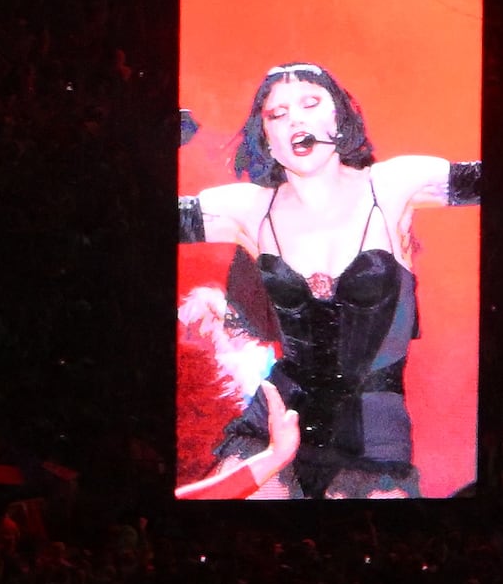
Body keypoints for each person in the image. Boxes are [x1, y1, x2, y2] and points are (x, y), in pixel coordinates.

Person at [177, 63, 481, 497]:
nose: (294, 120)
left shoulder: (391, 186)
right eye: (276, 115)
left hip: (373, 437)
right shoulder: (248, 208)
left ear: (339, 116)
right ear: (266, 139)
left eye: (310, 103)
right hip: (276, 419)